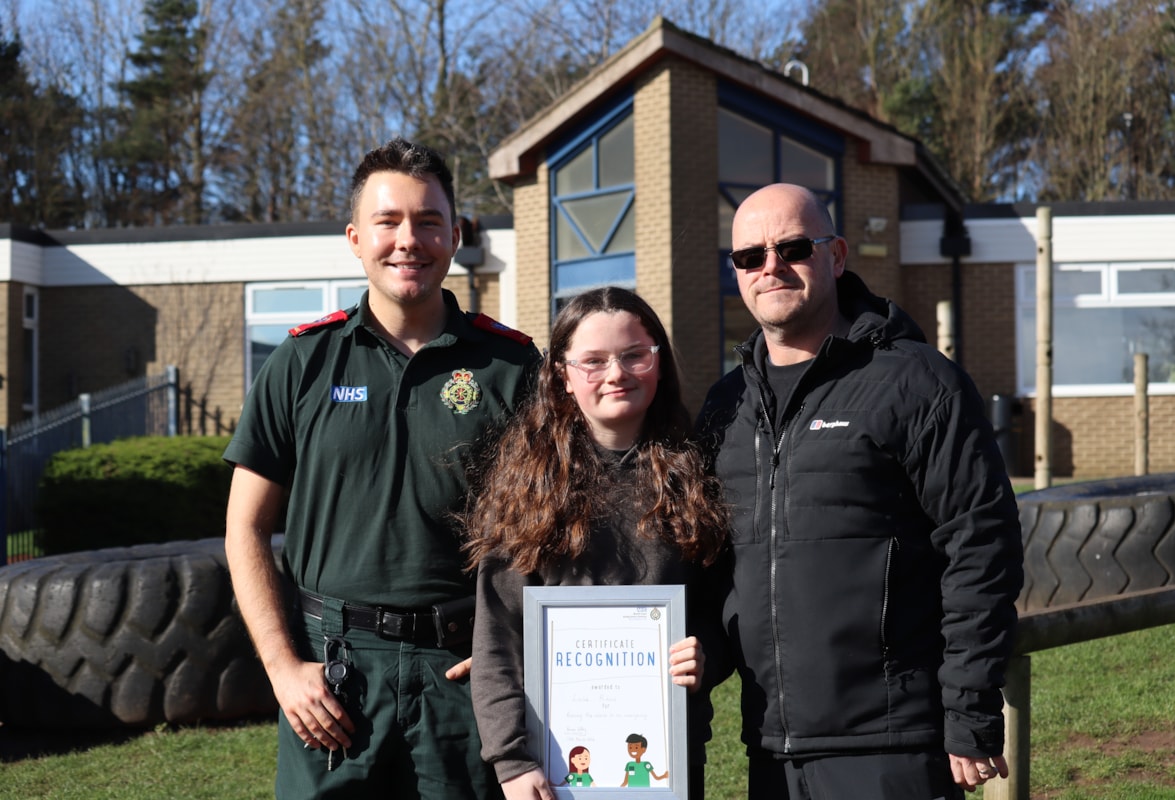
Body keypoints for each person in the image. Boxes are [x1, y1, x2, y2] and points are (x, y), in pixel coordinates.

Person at [223, 138, 539, 799]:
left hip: (464, 667)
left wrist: (515, 646)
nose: (409, 241)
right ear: (355, 237)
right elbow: (246, 528)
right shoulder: (302, 363)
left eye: (428, 222)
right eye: (388, 222)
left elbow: (552, 528)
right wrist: (283, 668)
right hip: (333, 677)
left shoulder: (512, 368)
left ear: (456, 234)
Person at [696, 184, 1024, 800]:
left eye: (793, 247)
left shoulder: (918, 382)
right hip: (772, 748)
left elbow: (981, 547)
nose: (771, 267)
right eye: (749, 257)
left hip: (892, 749)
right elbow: (710, 569)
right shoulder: (726, 406)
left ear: (837, 255)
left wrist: (971, 709)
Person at [464, 287, 728, 800]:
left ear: (659, 361)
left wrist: (708, 656)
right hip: (552, 767)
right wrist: (512, 760)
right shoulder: (528, 486)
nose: (616, 374)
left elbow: (725, 605)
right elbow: (496, 637)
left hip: (668, 760)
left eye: (635, 355)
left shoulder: (698, 474)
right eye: (593, 361)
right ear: (562, 375)